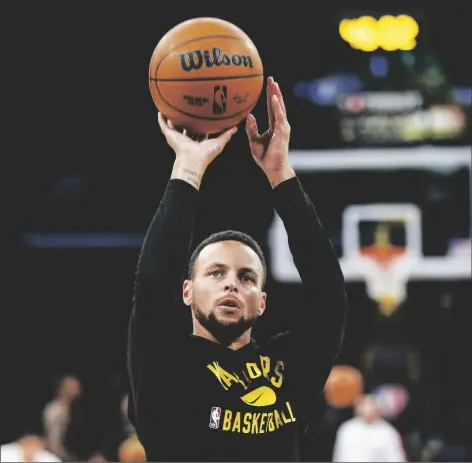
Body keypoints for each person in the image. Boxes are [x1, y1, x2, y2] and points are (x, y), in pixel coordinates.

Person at [127, 76, 348, 461]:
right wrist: (189, 167)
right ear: (187, 291)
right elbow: (153, 282)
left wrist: (281, 175)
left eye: (246, 277)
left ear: (261, 302)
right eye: (215, 273)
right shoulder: (163, 364)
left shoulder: (289, 367)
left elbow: (329, 296)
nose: (231, 284)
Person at [332, 394, 407, 462]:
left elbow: (396, 458)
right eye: (364, 405)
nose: (367, 409)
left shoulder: (388, 432)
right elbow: (339, 455)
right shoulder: (347, 429)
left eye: (371, 405)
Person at [42, 374, 82, 460]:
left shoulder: (74, 409)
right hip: (58, 456)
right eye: (74, 386)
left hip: (70, 454)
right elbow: (53, 439)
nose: (78, 389)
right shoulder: (55, 409)